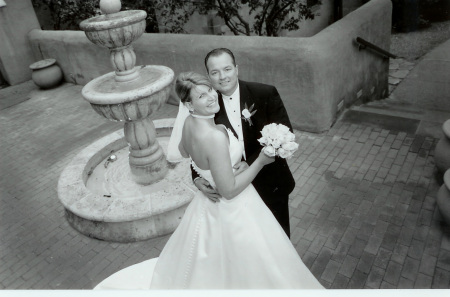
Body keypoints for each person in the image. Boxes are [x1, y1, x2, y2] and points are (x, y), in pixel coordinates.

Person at [94, 72, 324, 289]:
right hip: (234, 211)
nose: (212, 96)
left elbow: (184, 152)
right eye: (202, 96)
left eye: (209, 91)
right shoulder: (214, 136)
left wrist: (204, 174)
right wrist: (260, 161)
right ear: (190, 105)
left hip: (206, 205)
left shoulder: (189, 124)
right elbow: (229, 191)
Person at [193, 48, 295, 237]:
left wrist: (250, 163)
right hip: (234, 192)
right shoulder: (209, 105)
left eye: (227, 69)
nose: (222, 77)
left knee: (279, 239)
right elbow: (197, 144)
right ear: (208, 76)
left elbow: (285, 134)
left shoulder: (264, 93)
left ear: (237, 69)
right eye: (215, 72)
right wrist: (197, 177)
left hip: (271, 183)